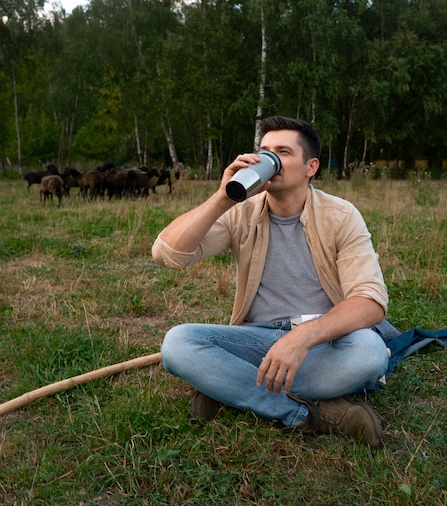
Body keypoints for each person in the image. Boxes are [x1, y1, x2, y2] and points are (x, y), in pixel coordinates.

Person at [152, 116, 390, 447]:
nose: (270, 160)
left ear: (311, 167)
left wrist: (304, 337)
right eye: (264, 151)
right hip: (256, 340)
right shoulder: (241, 211)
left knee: (370, 352)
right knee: (178, 343)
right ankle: (311, 413)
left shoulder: (341, 215)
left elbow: (371, 300)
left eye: (282, 152)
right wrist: (223, 197)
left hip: (323, 343)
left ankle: (230, 390)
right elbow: (167, 255)